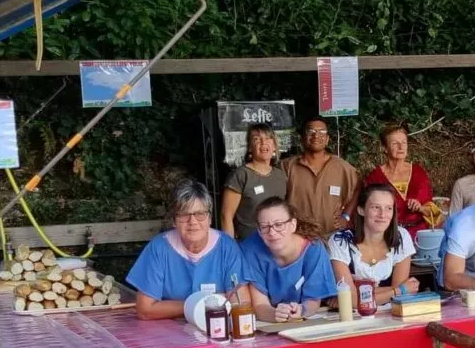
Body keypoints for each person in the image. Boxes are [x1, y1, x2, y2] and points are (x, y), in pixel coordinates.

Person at [128, 180, 249, 320]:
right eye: (184, 215)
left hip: (217, 327)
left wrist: (169, 307)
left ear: (209, 218)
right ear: (174, 220)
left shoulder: (227, 247)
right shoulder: (159, 248)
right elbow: (145, 309)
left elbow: (240, 303)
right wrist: (200, 305)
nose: (193, 221)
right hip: (169, 332)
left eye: (199, 214)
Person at [240, 198, 338, 322]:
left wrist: (301, 310)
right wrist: (275, 315)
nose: (272, 232)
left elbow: (313, 299)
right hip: (266, 321)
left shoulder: (313, 248)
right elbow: (259, 305)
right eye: (264, 227)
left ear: (293, 225)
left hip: (302, 319)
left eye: (279, 225)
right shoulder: (250, 250)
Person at [329, 184, 420, 306]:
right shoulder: (340, 241)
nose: (382, 215)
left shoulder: (401, 237)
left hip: (391, 314)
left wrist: (357, 291)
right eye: (376, 207)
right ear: (361, 210)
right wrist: (399, 290)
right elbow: (351, 301)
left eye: (389, 208)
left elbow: (350, 298)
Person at [282, 118, 360, 238]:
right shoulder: (287, 166)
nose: (316, 136)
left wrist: (346, 216)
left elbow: (358, 189)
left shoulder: (342, 167)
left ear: (327, 139)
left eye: (322, 132)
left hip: (332, 236)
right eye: (311, 131)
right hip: (297, 235)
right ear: (302, 138)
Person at [362, 122, 435, 235]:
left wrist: (420, 208)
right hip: (388, 235)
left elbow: (432, 212)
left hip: (419, 236)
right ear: (385, 148)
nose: (401, 147)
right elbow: (368, 212)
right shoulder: (375, 177)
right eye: (395, 143)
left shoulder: (418, 172)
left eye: (404, 142)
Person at [220, 123, 289, 240]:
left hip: (277, 244)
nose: (263, 142)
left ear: (274, 146)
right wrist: (230, 249)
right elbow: (226, 216)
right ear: (250, 147)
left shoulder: (281, 175)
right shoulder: (241, 175)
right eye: (257, 139)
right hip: (248, 246)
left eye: (268, 138)